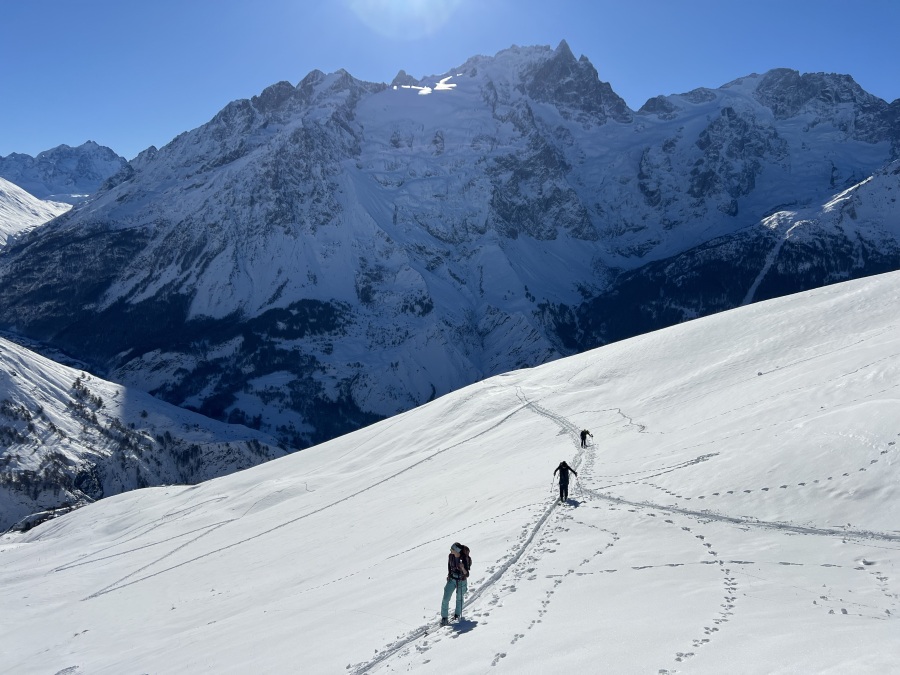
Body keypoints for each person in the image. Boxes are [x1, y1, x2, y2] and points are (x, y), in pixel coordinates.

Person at [440, 542, 469, 625]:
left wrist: (463, 568)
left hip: (461, 580)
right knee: (446, 598)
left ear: (457, 550)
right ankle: (444, 617)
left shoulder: (464, 558)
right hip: (452, 579)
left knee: (459, 598)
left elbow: (467, 574)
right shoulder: (451, 556)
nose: (450, 551)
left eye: (452, 549)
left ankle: (457, 614)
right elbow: (449, 566)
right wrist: (449, 575)